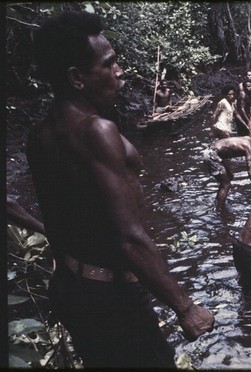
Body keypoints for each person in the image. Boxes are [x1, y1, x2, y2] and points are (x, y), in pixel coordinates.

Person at [28, 11, 214, 368]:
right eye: (109, 64)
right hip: (113, 297)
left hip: (73, 287)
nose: (120, 72)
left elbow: (57, 220)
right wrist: (185, 307)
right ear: (77, 78)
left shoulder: (41, 135)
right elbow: (129, 237)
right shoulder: (95, 131)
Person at [202, 124, 251, 206]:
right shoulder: (248, 147)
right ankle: (219, 208)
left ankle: (218, 201)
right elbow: (250, 169)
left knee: (229, 177)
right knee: (226, 184)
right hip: (211, 155)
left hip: (212, 152)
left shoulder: (246, 138)